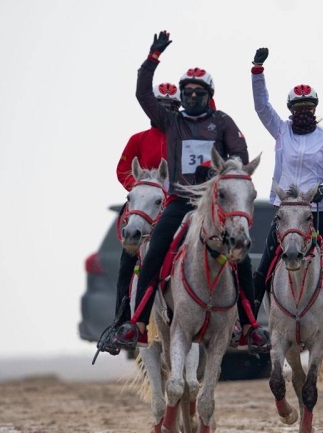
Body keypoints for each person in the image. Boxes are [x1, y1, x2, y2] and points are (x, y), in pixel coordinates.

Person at [110, 30, 270, 355]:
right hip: (180, 202)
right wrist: (152, 59)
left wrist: (223, 173)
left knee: (238, 256)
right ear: (181, 94)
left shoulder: (222, 122)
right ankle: (136, 324)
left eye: (199, 92)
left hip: (213, 206)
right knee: (154, 254)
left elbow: (239, 155)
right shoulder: (171, 122)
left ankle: (251, 326)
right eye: (188, 91)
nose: (193, 97)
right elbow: (143, 95)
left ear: (209, 94)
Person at [249, 47, 323, 348]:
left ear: (315, 109)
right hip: (285, 212)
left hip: (317, 210)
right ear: (290, 110)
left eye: (308, 107)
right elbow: (261, 106)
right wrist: (257, 71)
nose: (303, 112)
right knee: (263, 267)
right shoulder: (281, 131)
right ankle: (248, 324)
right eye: (298, 107)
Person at [112, 82, 180, 332]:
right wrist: (142, 187)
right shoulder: (138, 139)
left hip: (176, 206)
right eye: (161, 106)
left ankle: (233, 321)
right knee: (126, 266)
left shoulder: (183, 140)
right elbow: (122, 169)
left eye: (172, 107)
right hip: (145, 208)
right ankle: (120, 324)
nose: (166, 111)